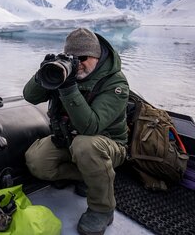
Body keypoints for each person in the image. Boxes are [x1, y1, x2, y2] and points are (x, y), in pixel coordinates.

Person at [23, 28, 129, 235]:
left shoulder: (116, 82)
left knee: (85, 145)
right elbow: (30, 97)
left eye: (84, 58)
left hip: (108, 145)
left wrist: (68, 87)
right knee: (36, 161)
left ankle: (103, 209)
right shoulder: (66, 73)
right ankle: (87, 176)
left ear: (97, 57)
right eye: (74, 58)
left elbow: (91, 127)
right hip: (69, 139)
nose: (78, 63)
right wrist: (43, 74)